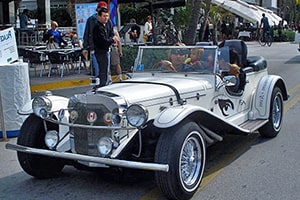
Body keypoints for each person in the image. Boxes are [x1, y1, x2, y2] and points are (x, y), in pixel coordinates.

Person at [93, 7, 119, 87]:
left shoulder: (108, 24)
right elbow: (103, 41)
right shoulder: (97, 27)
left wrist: (113, 39)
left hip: (107, 50)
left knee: (106, 69)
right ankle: (102, 85)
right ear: (99, 17)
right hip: (100, 51)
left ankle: (104, 83)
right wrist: (112, 40)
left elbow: (111, 33)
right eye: (104, 16)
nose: (106, 18)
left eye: (107, 16)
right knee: (102, 70)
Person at [82, 1, 108, 77]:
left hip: (105, 48)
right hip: (95, 47)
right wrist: (85, 47)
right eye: (102, 9)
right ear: (98, 9)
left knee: (105, 70)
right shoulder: (91, 20)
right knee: (98, 69)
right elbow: (87, 34)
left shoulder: (107, 21)